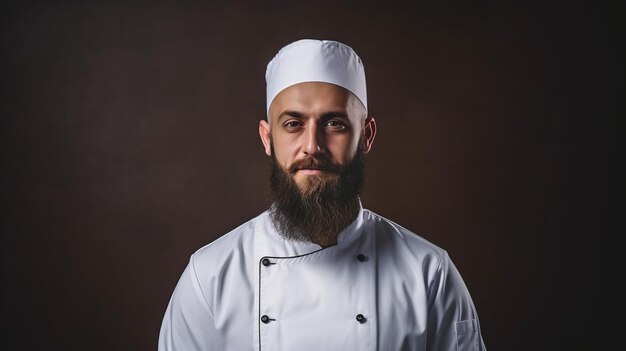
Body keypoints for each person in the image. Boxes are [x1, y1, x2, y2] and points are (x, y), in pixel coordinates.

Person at [158, 39, 487, 351]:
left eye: (334, 123)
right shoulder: (209, 276)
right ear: (267, 138)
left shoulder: (430, 275)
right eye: (293, 124)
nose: (313, 145)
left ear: (366, 136)